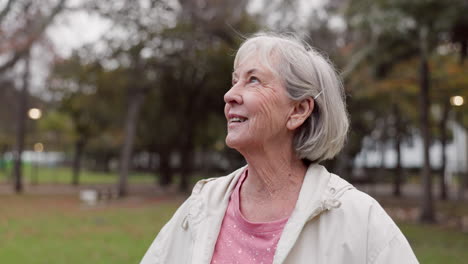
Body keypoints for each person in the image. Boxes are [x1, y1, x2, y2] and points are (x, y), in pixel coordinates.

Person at [140, 33, 419, 264]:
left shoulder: (358, 219)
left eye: (253, 80)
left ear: (298, 110)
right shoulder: (202, 205)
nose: (229, 95)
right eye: (234, 80)